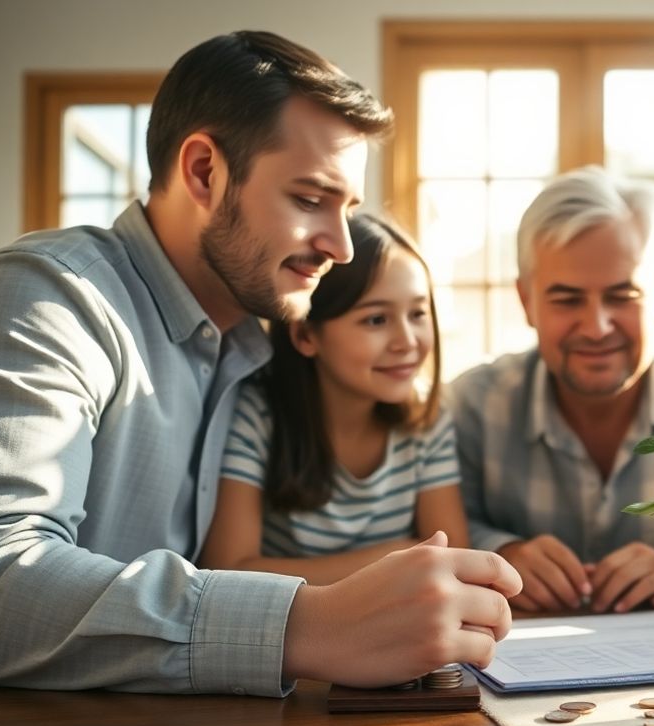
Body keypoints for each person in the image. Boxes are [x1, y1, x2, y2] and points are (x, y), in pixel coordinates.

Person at [0, 31, 519, 695]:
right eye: (310, 198)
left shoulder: (255, 342)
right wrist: (305, 626)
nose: (342, 247)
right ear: (204, 171)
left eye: (347, 208)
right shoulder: (44, 299)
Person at [448, 166, 654, 615]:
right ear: (526, 301)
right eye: (567, 299)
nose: (596, 327)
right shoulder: (472, 404)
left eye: (622, 295)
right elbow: (438, 528)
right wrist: (502, 554)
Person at [199, 214, 468, 585]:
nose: (407, 340)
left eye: (418, 313)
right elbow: (228, 570)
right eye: (376, 320)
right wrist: (393, 558)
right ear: (306, 335)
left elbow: (454, 563)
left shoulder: (426, 419)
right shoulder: (258, 415)